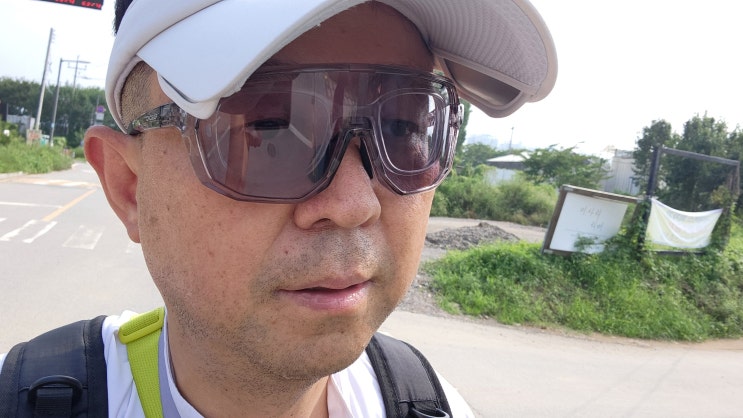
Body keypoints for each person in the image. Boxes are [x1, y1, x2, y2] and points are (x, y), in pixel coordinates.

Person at [1, 0, 556, 416]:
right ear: (129, 186)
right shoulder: (31, 399)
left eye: (404, 126)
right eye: (269, 129)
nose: (353, 204)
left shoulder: (432, 405)